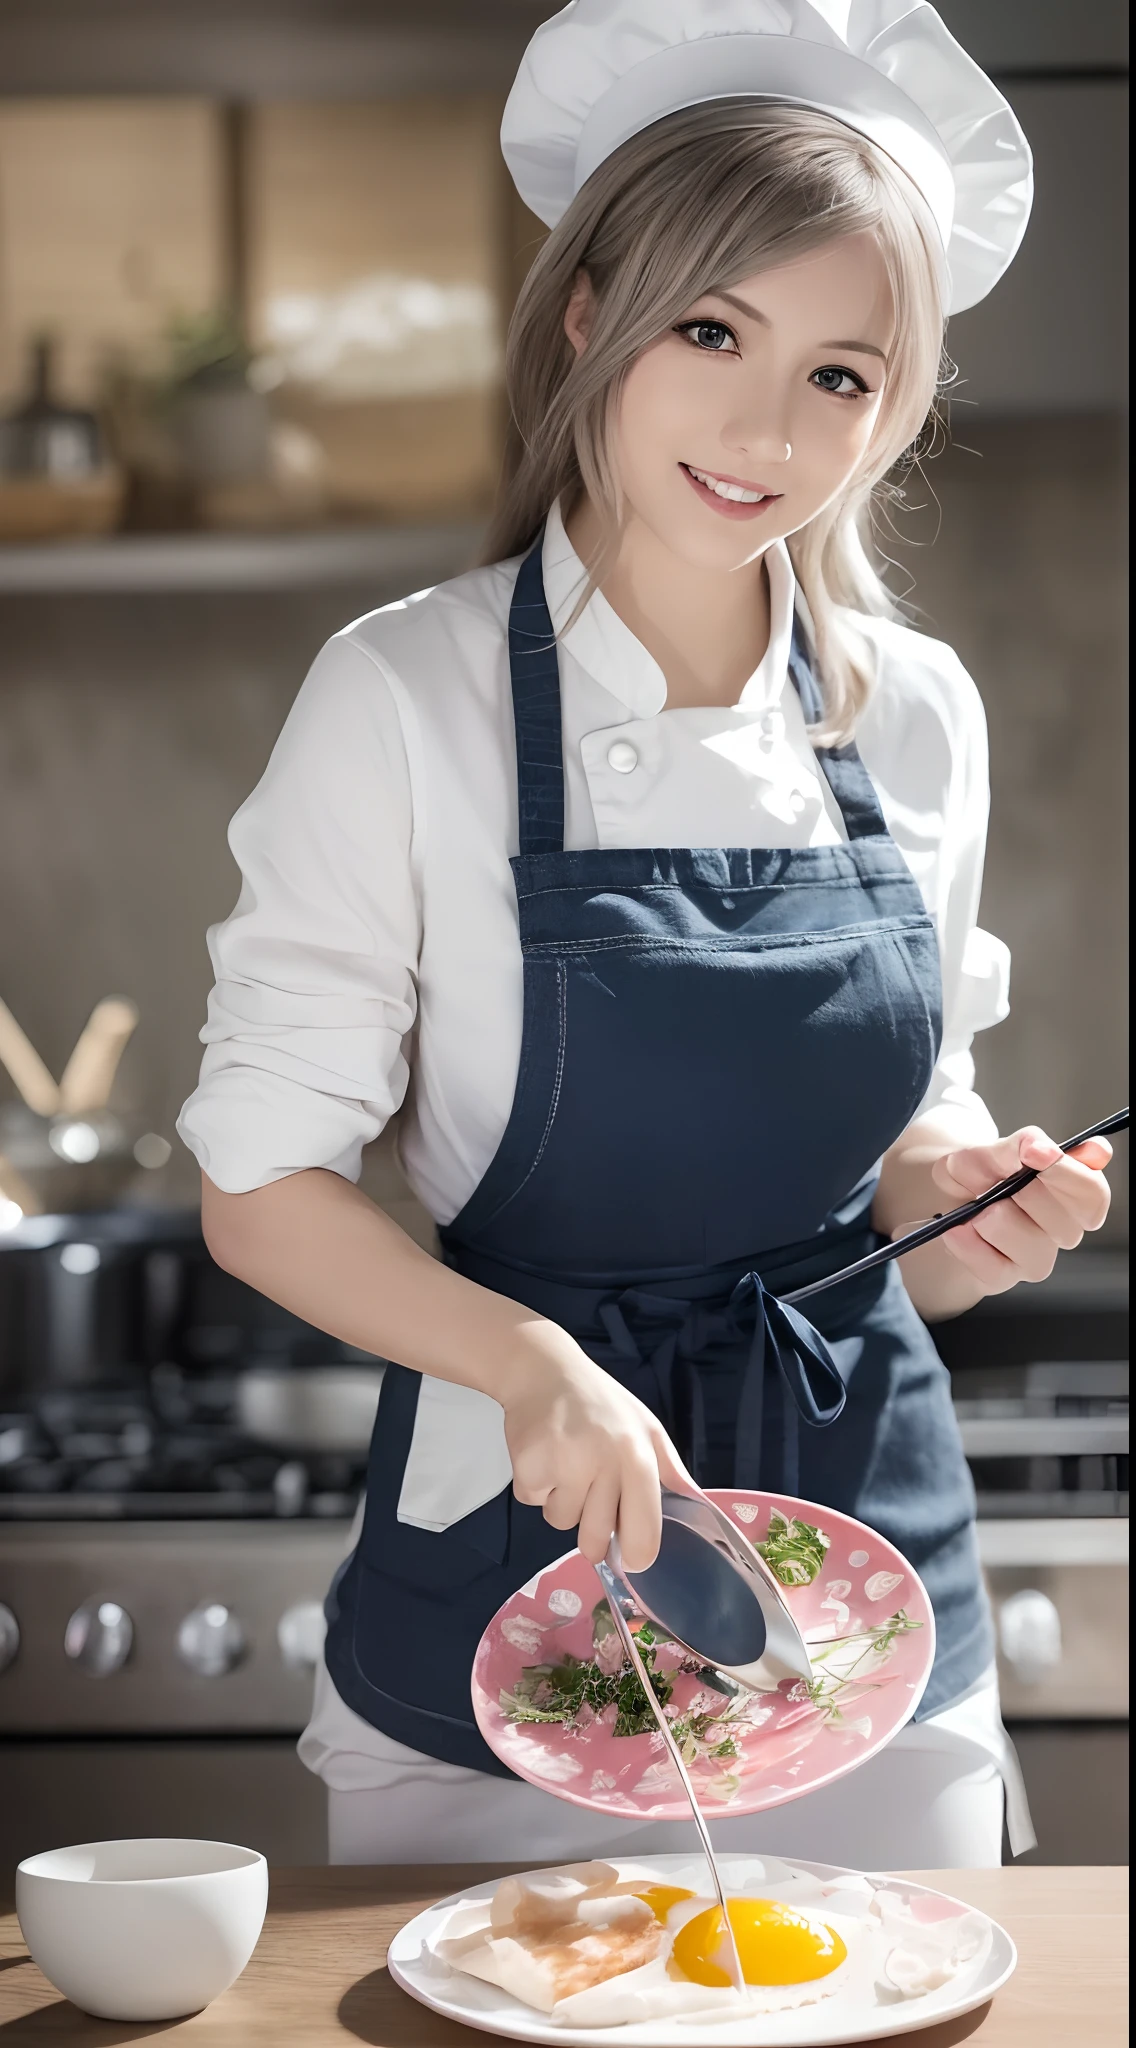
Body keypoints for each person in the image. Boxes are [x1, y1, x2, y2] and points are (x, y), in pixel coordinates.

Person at [179, 0, 1113, 1869]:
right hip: (520, 1568)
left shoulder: (912, 712)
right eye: (712, 330)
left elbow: (905, 1129)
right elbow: (262, 1183)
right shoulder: (402, 698)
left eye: (844, 373)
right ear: (590, 315)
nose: (769, 426)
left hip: (864, 1583)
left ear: (902, 403)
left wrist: (968, 1187)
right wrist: (533, 1366)